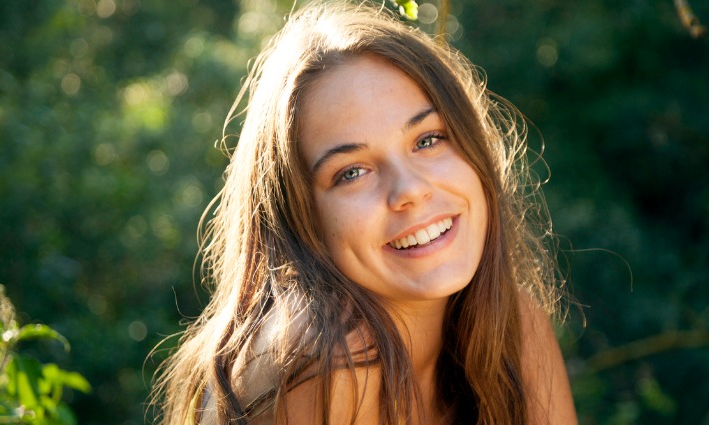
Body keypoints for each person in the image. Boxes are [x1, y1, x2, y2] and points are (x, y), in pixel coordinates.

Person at [153, 1, 577, 423]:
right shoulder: (323, 364)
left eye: (428, 140)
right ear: (300, 219)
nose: (410, 190)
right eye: (352, 172)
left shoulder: (514, 325)